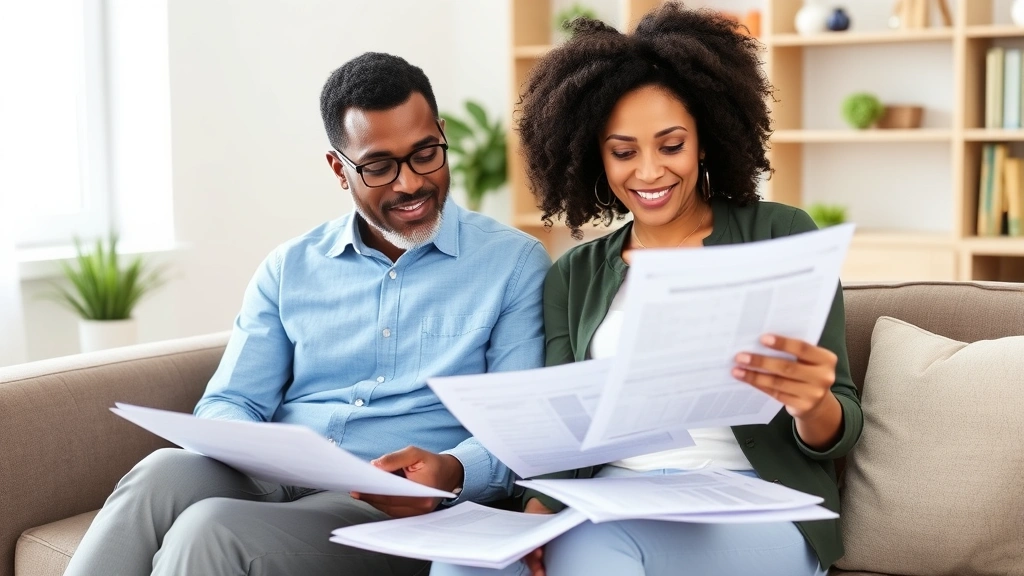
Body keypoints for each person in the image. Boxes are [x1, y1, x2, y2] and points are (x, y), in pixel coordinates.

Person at [64, 52, 550, 576]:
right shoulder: (289, 267)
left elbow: (517, 435)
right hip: (273, 476)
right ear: (339, 169)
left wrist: (451, 469)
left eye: (425, 154)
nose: (410, 183)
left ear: (442, 136)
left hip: (386, 506)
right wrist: (257, 445)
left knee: (210, 530)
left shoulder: (513, 264)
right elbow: (230, 400)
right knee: (160, 472)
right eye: (380, 166)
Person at [431, 4, 862, 576]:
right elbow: (566, 441)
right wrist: (536, 513)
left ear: (705, 140)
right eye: (624, 151)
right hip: (611, 499)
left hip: (752, 503)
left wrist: (812, 403)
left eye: (671, 144)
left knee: (597, 552)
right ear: (597, 157)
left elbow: (841, 426)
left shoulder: (780, 234)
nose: (650, 172)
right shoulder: (575, 273)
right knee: (465, 565)